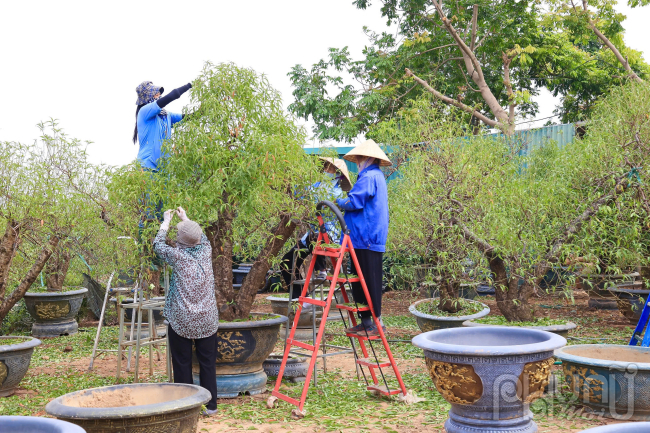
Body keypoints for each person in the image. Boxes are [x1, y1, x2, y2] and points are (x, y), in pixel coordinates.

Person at [153, 206, 219, 415]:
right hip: (207, 318)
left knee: (182, 363)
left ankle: (186, 406)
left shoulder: (177, 257)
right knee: (207, 362)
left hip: (182, 319)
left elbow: (157, 245)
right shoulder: (207, 251)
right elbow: (203, 238)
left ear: (180, 240)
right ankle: (211, 406)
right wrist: (187, 219)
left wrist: (165, 222)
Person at [336, 140, 391, 337]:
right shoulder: (375, 176)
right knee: (360, 280)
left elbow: (354, 202)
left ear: (368, 158)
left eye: (359, 158)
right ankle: (366, 321)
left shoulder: (369, 177)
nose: (357, 161)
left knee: (369, 280)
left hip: (367, 237)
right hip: (362, 238)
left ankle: (376, 322)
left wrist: (337, 200)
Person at [279, 157, 351, 298]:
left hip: (329, 236)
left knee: (315, 237)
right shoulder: (316, 185)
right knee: (286, 262)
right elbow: (300, 194)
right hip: (312, 236)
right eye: (324, 168)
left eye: (329, 169)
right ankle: (300, 298)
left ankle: (322, 270)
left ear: (337, 173)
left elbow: (320, 200)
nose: (325, 171)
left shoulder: (337, 193)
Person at [134, 81, 192, 171]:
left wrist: (204, 110)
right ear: (148, 97)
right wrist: (189, 86)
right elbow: (172, 96)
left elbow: (187, 118)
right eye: (156, 94)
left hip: (164, 170)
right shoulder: (144, 111)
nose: (159, 96)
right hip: (147, 167)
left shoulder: (166, 115)